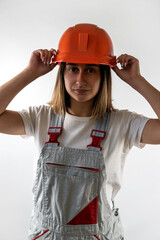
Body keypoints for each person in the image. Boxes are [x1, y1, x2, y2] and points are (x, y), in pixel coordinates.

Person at [0, 23, 160, 240]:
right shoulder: (40, 118)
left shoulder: (123, 123)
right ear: (62, 72)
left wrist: (136, 80)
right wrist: (30, 72)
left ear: (104, 75)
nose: (80, 80)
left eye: (91, 70)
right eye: (73, 68)